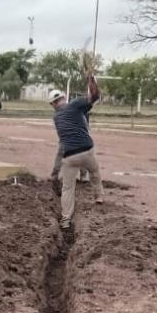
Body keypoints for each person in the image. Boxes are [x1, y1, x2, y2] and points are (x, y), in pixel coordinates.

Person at [48, 75, 103, 229]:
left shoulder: (56, 117)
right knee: (95, 173)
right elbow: (95, 96)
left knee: (67, 188)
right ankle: (99, 197)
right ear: (64, 97)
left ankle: (65, 220)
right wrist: (92, 82)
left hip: (69, 156)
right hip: (87, 150)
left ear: (52, 104)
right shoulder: (75, 104)